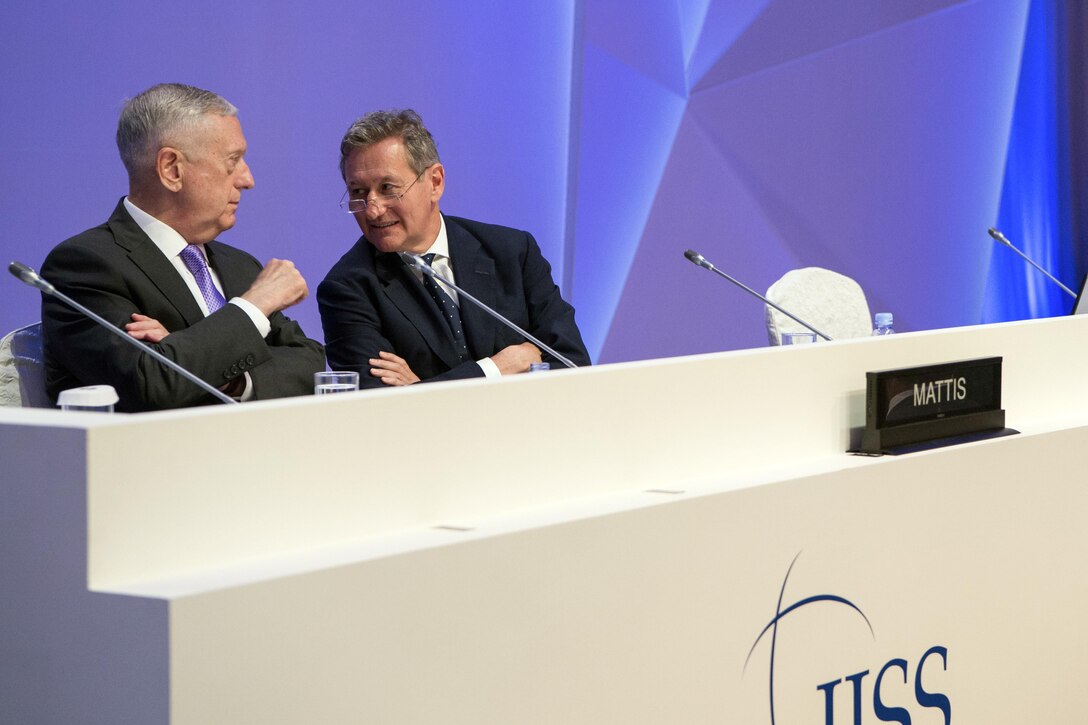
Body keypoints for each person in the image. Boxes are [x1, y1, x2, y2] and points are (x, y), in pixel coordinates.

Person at [40, 83, 325, 412]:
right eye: (233, 161)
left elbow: (311, 362)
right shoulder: (85, 265)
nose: (248, 179)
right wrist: (254, 306)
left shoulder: (239, 265)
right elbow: (149, 384)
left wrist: (230, 379)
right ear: (171, 169)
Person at [318, 109, 589, 388]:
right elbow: (378, 403)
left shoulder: (512, 252)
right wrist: (496, 367)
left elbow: (572, 363)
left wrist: (421, 387)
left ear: (435, 182)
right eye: (358, 192)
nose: (373, 210)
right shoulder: (347, 288)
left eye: (388, 187)